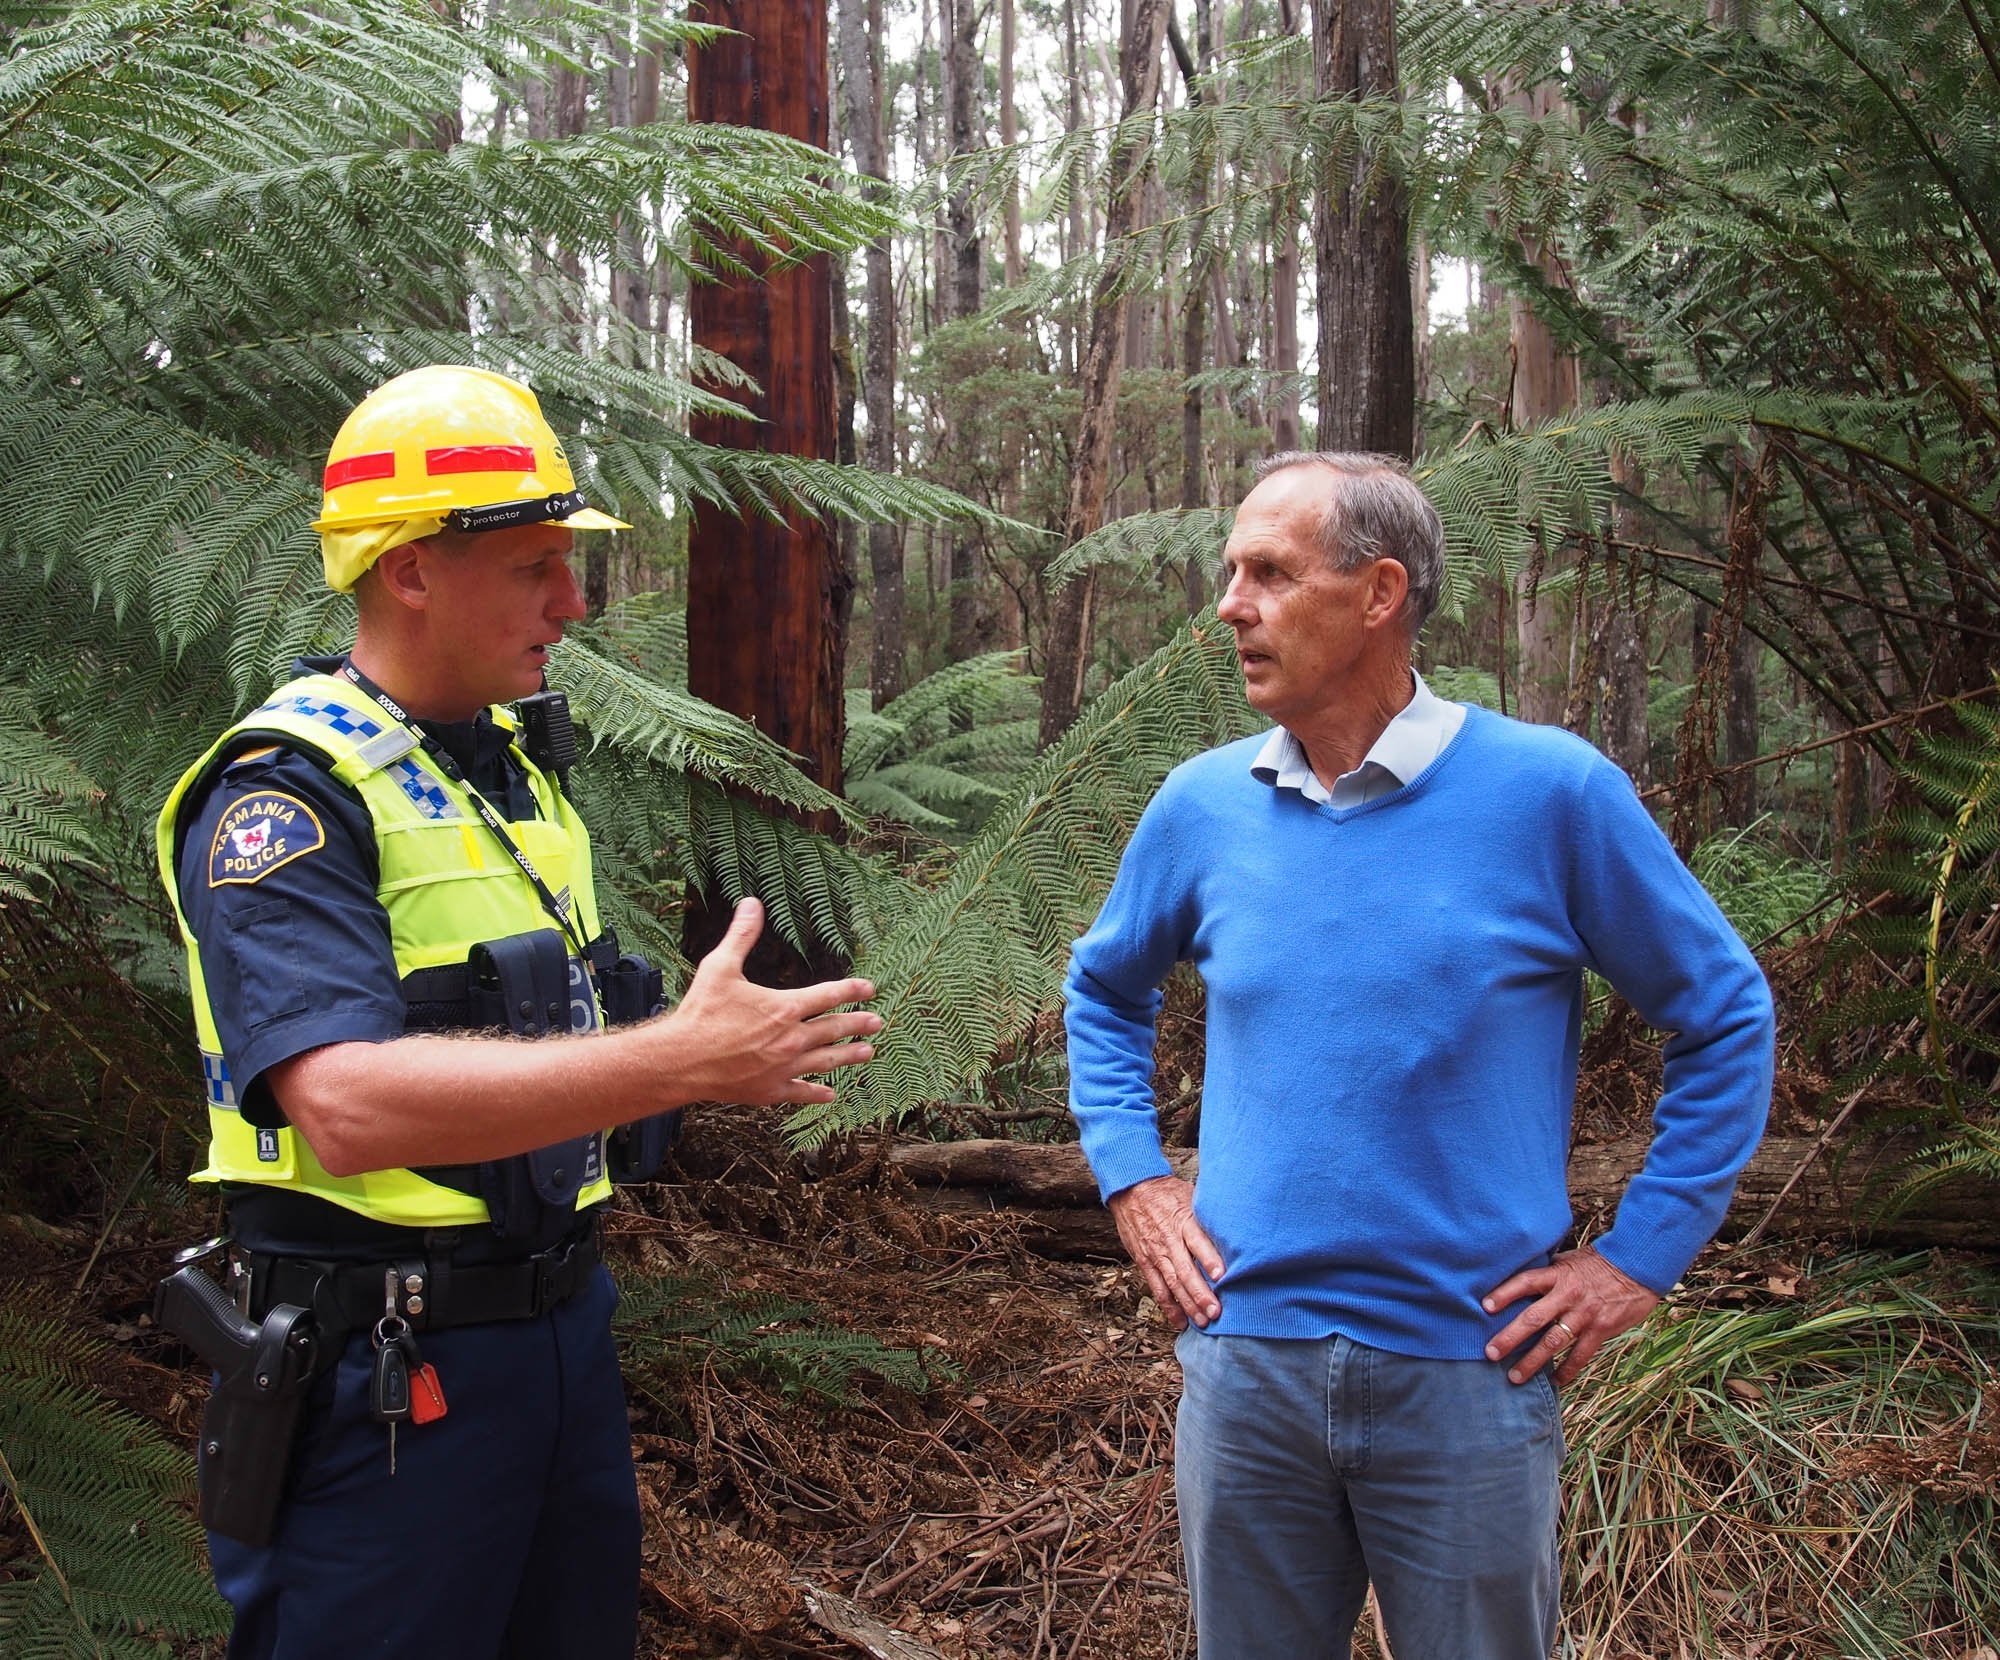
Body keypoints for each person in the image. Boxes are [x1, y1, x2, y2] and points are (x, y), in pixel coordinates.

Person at [154, 364, 882, 1660]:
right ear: (411, 568)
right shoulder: (285, 800)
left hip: (556, 1342)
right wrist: (677, 1062)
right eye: (535, 564)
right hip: (378, 1378)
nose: (572, 601)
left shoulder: (513, 778)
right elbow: (347, 1103)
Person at [1063, 452, 1774, 1660]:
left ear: (1378, 591)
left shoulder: (1550, 794)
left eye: (1269, 573)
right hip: (1246, 1369)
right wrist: (1134, 1177)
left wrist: (1635, 1261)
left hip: (1467, 1374)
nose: (1229, 603)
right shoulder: (1200, 806)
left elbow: (1722, 1014)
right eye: (1230, 571)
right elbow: (1101, 988)